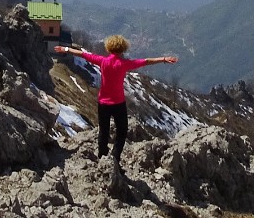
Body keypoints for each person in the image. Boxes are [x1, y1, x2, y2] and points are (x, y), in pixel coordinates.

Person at [54, 36, 178, 170]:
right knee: (122, 131)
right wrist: (164, 59)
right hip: (118, 103)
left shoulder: (102, 61)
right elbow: (146, 61)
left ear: (109, 48)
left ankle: (102, 157)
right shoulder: (124, 64)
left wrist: (65, 49)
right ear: (123, 48)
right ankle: (115, 157)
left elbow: (83, 54)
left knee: (104, 131)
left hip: (103, 103)